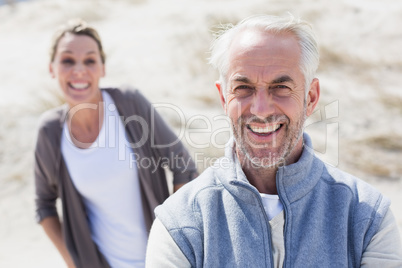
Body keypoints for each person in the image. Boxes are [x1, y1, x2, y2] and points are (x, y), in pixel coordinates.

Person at [145, 15, 402, 267]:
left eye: (281, 87)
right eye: (243, 88)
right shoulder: (179, 223)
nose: (261, 109)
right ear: (224, 99)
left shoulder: (367, 217)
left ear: (311, 98)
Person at [34, 18, 197, 268]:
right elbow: (44, 205)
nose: (79, 70)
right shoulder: (51, 132)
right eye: (67, 60)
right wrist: (73, 261)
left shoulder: (129, 104)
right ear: (52, 68)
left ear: (102, 68)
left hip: (163, 261)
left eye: (90, 60)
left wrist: (177, 242)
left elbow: (183, 167)